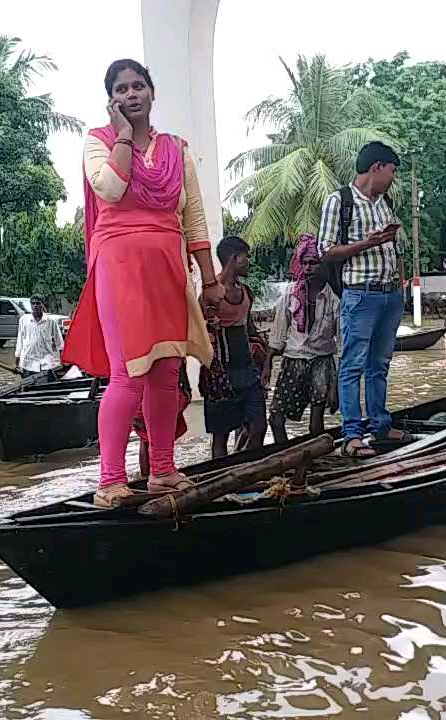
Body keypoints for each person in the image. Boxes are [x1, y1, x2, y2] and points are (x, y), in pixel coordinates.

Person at [62, 58, 222, 509]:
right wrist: (125, 139)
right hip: (120, 264)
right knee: (128, 372)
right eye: (121, 89)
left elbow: (193, 218)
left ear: (152, 91)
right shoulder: (98, 142)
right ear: (111, 99)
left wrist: (209, 280)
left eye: (138, 86)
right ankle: (111, 479)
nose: (130, 94)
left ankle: (164, 472)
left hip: (169, 266)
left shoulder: (178, 149)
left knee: (167, 373)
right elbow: (110, 190)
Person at [318, 141, 408, 458]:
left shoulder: (385, 203)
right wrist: (365, 243)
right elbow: (326, 250)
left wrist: (402, 285)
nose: (392, 178)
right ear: (376, 168)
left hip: (389, 294)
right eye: (391, 171)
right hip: (360, 294)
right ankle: (352, 434)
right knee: (353, 364)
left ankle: (381, 425)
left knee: (379, 365)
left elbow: (394, 250)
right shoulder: (339, 202)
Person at [266, 234, 339, 444]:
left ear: (323, 265)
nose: (308, 268)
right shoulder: (290, 294)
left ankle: (312, 460)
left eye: (313, 263)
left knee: (316, 424)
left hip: (322, 362)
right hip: (293, 360)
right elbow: (278, 334)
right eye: (304, 263)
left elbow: (342, 341)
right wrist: (267, 365)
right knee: (276, 418)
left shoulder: (333, 299)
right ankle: (285, 455)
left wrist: (338, 383)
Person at [202, 236, 267, 459]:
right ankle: (222, 478)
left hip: (248, 371)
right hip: (220, 373)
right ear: (234, 258)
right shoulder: (210, 295)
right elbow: (202, 333)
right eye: (246, 257)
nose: (249, 261)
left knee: (259, 425)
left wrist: (265, 356)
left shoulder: (246, 292)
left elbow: (249, 329)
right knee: (221, 435)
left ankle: (248, 471)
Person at [14, 295, 64, 376]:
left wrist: (63, 359)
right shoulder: (24, 320)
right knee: (27, 386)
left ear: (42, 305)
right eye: (33, 303)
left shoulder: (50, 321)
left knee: (44, 386)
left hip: (46, 362)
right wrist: (17, 356)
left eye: (38, 303)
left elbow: (59, 342)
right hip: (28, 361)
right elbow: (20, 339)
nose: (35, 306)